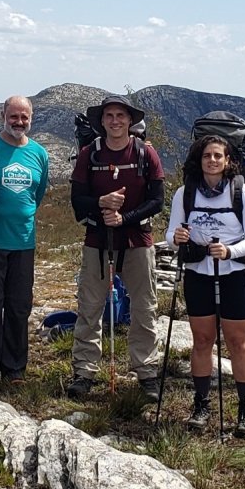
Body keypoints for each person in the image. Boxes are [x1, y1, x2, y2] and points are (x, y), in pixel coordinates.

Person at [67, 94, 166, 401]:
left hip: (137, 240)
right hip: (98, 239)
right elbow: (77, 201)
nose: (115, 121)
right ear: (102, 121)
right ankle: (84, 371)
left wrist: (124, 218)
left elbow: (157, 201)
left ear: (130, 120)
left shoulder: (146, 153)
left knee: (144, 307)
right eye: (109, 115)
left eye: (120, 115)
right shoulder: (89, 154)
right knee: (90, 306)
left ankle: (146, 371)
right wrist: (101, 204)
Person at [165, 135, 245, 436]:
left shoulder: (243, 193)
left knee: (238, 342)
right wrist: (177, 239)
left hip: (233, 274)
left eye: (218, 156)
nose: (212, 160)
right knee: (202, 340)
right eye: (207, 155)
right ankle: (201, 404)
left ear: (228, 160)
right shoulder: (185, 193)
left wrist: (230, 251)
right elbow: (171, 235)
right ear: (200, 159)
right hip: (198, 273)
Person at [0, 96, 49, 387]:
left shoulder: (39, 154)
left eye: (24, 117)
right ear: (3, 116)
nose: (19, 122)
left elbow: (37, 195)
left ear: (31, 118)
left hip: (23, 241)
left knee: (19, 307)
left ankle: (14, 369)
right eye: (14, 116)